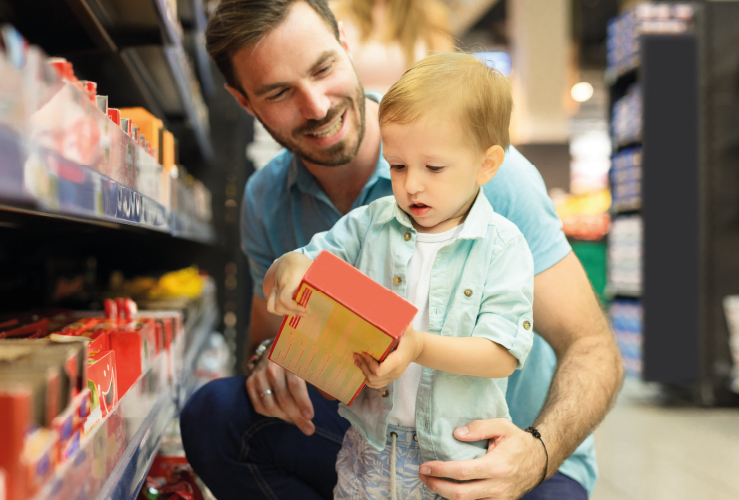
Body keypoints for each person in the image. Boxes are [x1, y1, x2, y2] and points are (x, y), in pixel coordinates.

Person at [180, 1, 625, 499]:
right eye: (279, 92)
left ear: (345, 43)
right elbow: (266, 340)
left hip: (506, 445)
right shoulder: (266, 198)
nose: (316, 105)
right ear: (244, 102)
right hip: (376, 439)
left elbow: (592, 347)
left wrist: (537, 453)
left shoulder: (487, 179)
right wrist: (273, 360)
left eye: (323, 68)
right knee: (215, 416)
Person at [262, 51, 535, 500]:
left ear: (486, 165)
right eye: (398, 166)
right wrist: (288, 266)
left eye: (434, 168)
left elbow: (502, 353)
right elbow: (307, 262)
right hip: (367, 444)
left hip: (457, 454)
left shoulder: (503, 246)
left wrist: (419, 346)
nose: (411, 185)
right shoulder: (371, 223)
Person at [330, 0, 454, 95]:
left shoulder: (429, 13)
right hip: (360, 114)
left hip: (412, 115)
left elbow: (445, 76)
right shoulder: (337, 13)